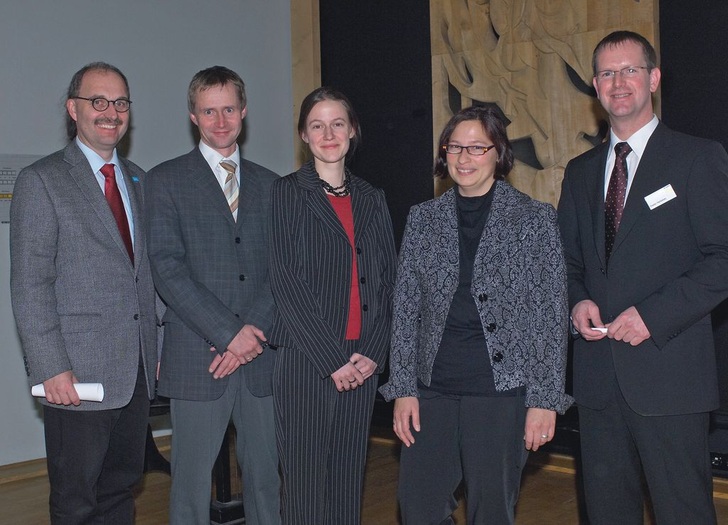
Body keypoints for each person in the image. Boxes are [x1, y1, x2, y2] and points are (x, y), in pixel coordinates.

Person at [557, 30, 728, 525]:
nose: (619, 82)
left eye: (630, 69)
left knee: (684, 513)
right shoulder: (580, 171)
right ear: (594, 85)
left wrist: (652, 316)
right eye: (608, 73)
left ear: (653, 79)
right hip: (597, 382)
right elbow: (568, 261)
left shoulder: (697, 158)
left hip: (670, 378)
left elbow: (722, 259)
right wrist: (578, 300)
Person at [379, 105, 572, 525]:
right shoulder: (423, 219)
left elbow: (549, 317)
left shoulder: (534, 219)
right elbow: (406, 307)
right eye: (455, 147)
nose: (464, 158)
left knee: (491, 512)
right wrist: (403, 388)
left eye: (477, 148)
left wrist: (545, 401)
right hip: (431, 391)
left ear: (498, 154)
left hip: (500, 395)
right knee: (418, 508)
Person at [9, 62, 158, 523]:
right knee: (76, 501)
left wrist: (156, 347)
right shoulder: (42, 181)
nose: (110, 112)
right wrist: (51, 367)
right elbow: (30, 283)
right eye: (98, 101)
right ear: (73, 109)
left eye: (120, 102)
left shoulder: (140, 179)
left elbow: (147, 276)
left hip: (135, 374)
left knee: (120, 489)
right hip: (77, 380)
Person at [146, 66, 280, 524]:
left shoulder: (272, 184)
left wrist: (253, 335)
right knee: (190, 486)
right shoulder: (165, 181)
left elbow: (284, 271)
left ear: (243, 112)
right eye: (209, 111)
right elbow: (166, 268)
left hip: (262, 360)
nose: (219, 121)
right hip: (198, 357)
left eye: (228, 109)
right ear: (193, 116)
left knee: (266, 481)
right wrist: (229, 334)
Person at [268, 86, 397, 524]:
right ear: (304, 135)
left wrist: (373, 354)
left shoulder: (372, 197)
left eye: (337, 123)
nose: (328, 133)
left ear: (352, 131)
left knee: (346, 479)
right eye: (317, 125)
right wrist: (332, 360)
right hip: (308, 360)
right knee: (304, 486)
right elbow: (286, 282)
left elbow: (387, 284)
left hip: (361, 358)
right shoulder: (286, 193)